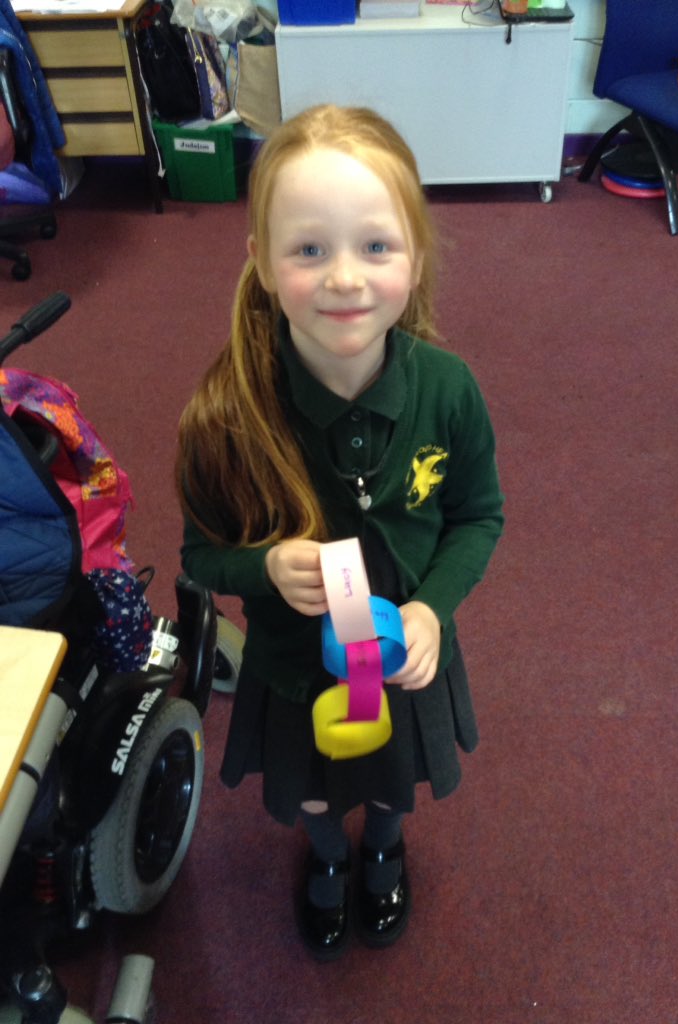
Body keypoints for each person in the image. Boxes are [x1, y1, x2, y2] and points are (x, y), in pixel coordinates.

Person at [176, 104, 504, 960]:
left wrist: (432, 609)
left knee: (395, 782)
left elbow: (478, 514)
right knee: (315, 794)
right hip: (294, 669)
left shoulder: (448, 389)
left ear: (417, 255)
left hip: (403, 657)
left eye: (376, 246)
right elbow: (199, 556)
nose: (346, 279)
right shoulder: (227, 416)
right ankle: (326, 859)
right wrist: (263, 567)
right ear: (260, 259)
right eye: (309, 249)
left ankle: (385, 853)